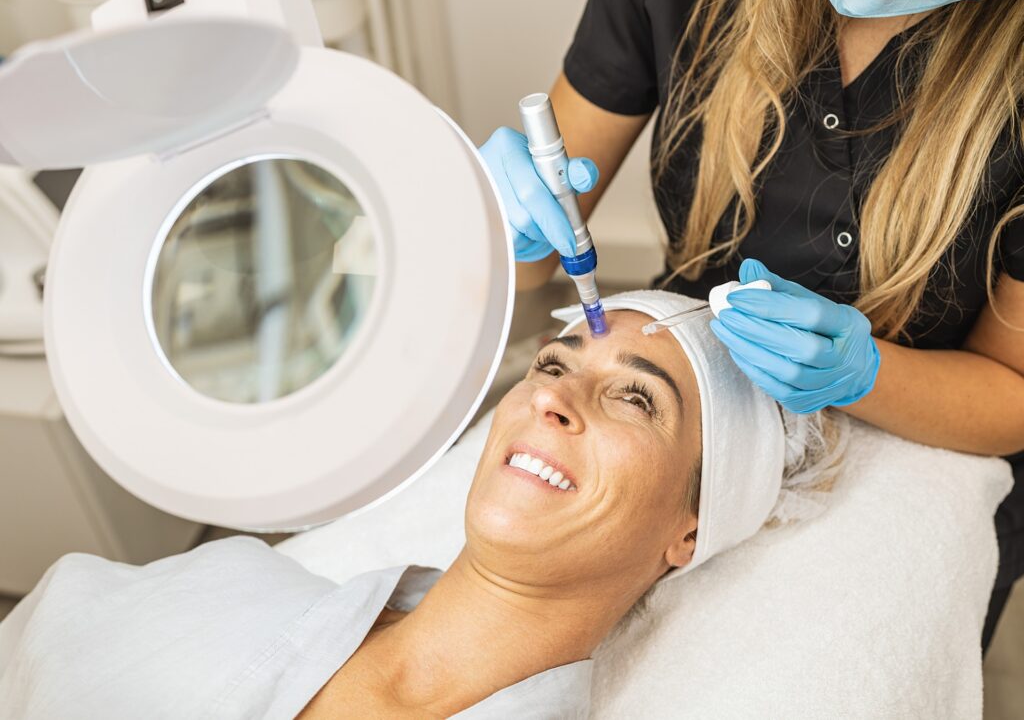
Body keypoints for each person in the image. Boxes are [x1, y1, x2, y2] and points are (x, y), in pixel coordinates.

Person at [479, 0, 1024, 650]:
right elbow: (535, 253)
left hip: (934, 430)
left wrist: (864, 375)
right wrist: (494, 214)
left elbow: (1011, 392)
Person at [0, 292, 842, 719]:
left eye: (635, 397)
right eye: (552, 364)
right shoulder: (230, 582)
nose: (553, 397)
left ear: (688, 529)